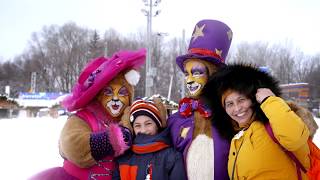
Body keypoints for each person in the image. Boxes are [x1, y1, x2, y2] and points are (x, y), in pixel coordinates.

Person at [29, 49, 146, 180]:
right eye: (108, 92)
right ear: (99, 96)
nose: (115, 98)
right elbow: (72, 146)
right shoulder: (84, 117)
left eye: (122, 93)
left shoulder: (132, 120)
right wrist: (115, 138)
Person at [202, 64, 311, 180]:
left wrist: (269, 100)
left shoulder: (274, 124)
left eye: (241, 100)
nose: (237, 108)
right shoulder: (237, 137)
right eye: (230, 104)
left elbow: (295, 138)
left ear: (254, 99)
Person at [168, 19, 233, 180]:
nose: (189, 80)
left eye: (196, 73)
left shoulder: (232, 114)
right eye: (186, 74)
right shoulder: (177, 119)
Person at [113, 98, 187, 180]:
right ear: (132, 129)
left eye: (148, 124)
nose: (143, 130)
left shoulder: (172, 157)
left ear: (157, 125)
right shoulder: (124, 157)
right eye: (137, 125)